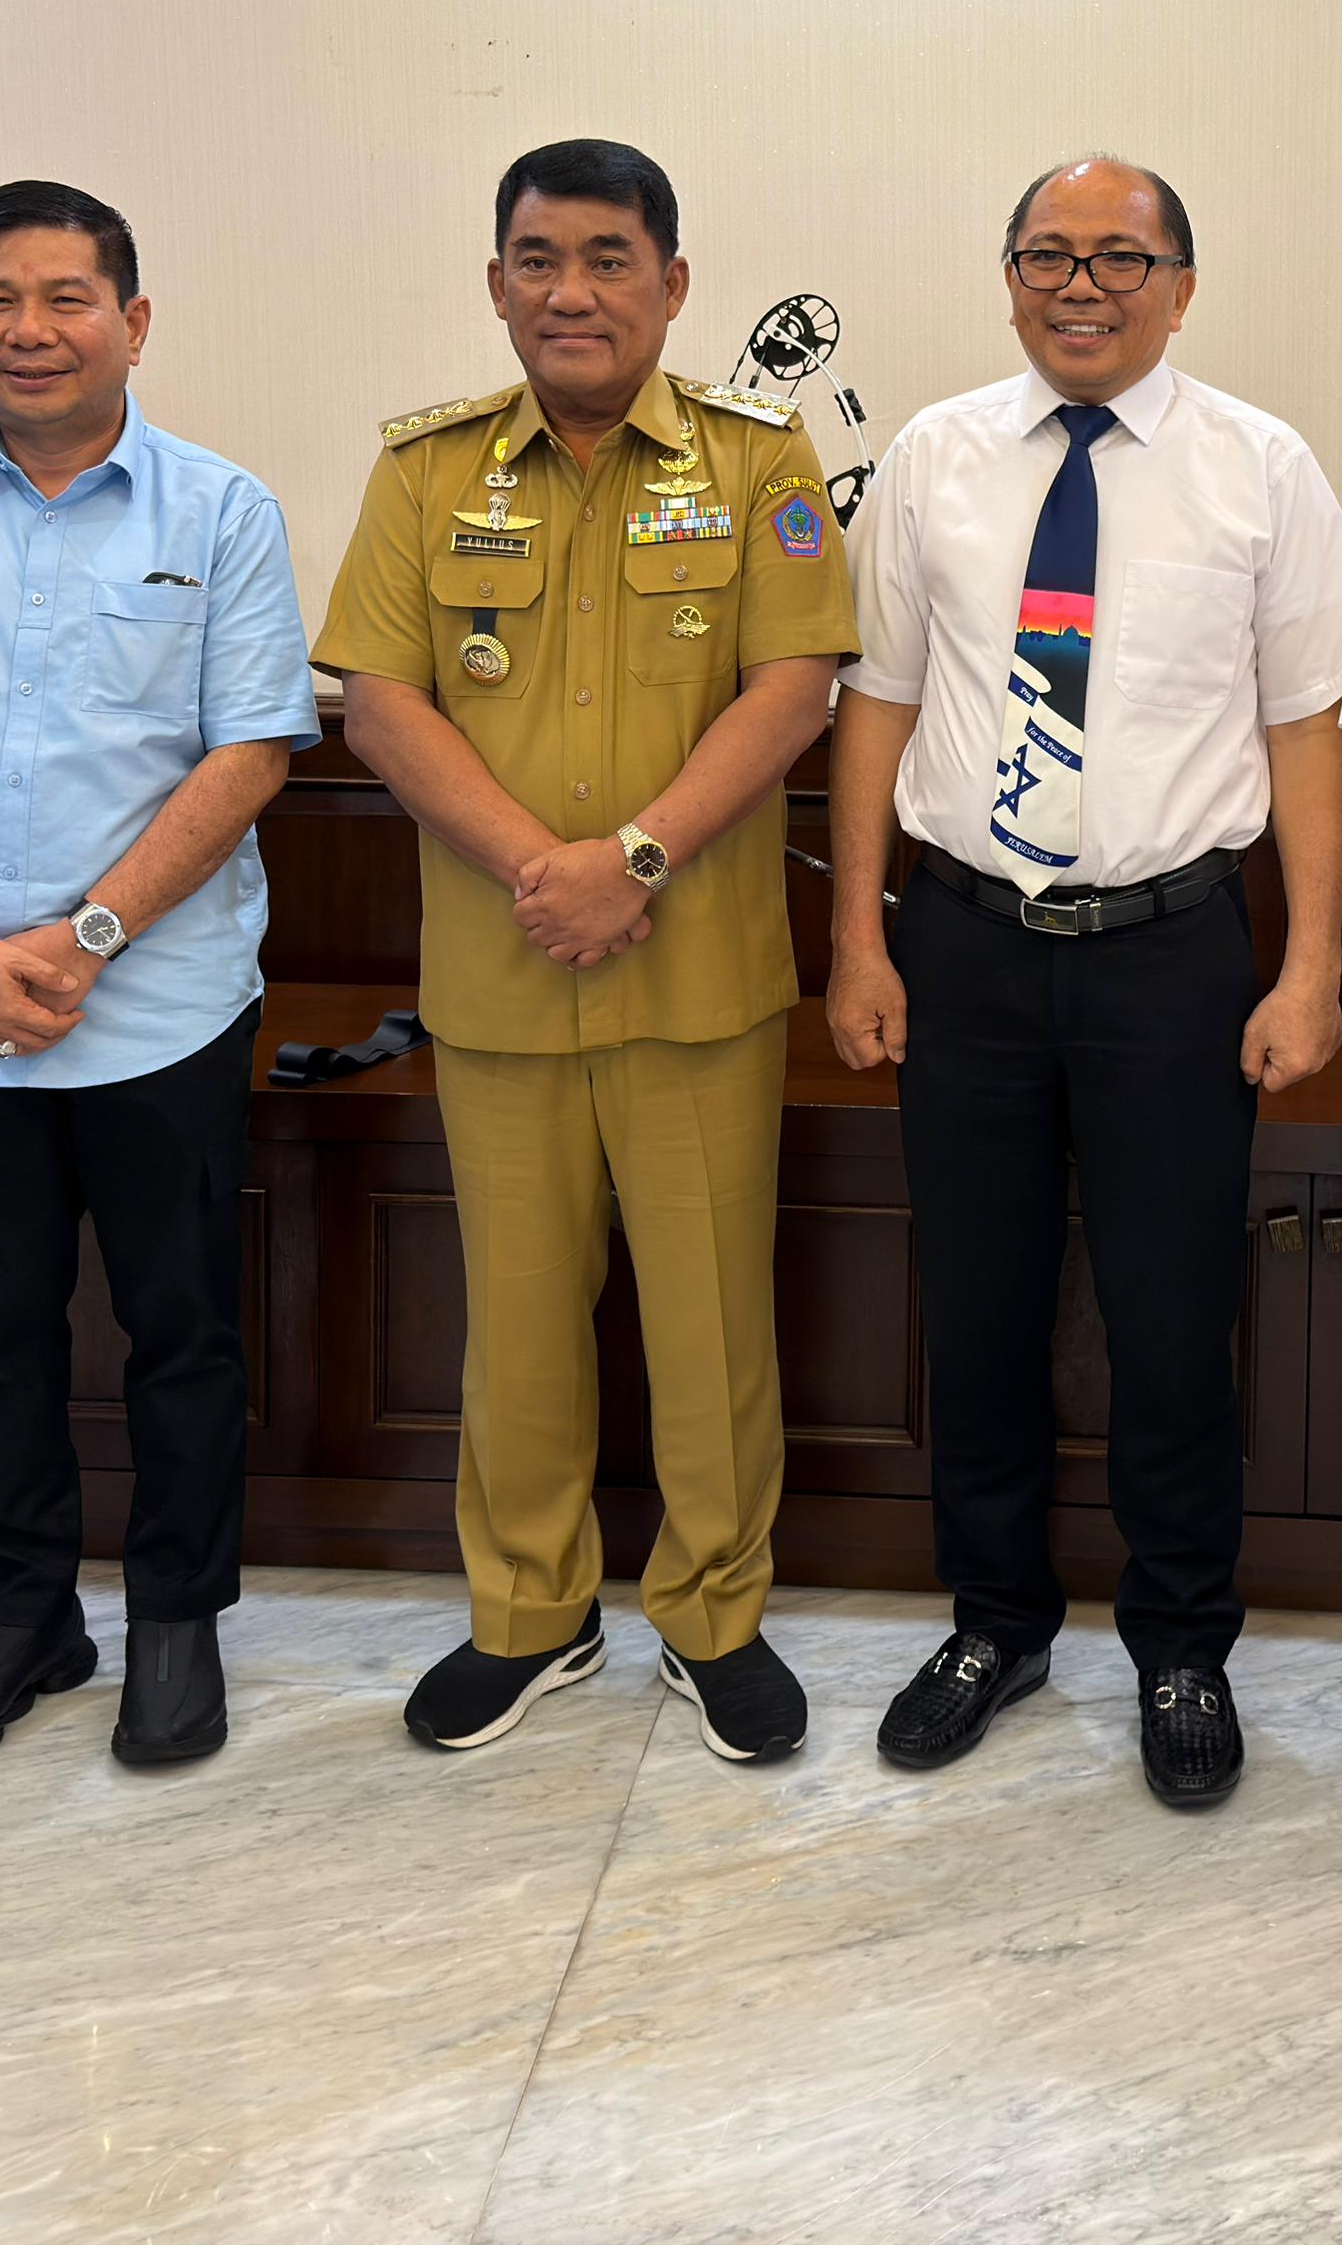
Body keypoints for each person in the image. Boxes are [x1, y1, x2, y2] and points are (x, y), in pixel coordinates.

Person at [828, 156, 1342, 1809]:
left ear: (1182, 287)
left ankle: (1184, 1640)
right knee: (978, 1315)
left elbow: (1308, 729)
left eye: (1121, 257)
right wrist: (858, 935)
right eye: (1049, 254)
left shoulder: (1260, 470)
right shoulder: (935, 458)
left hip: (1174, 957)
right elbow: (881, 702)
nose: (1083, 283)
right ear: (1007, 280)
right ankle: (995, 1620)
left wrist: (1314, 963)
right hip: (968, 944)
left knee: (1171, 1318)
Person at [313, 139, 854, 1765]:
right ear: (496, 287)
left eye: (610, 258)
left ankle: (713, 1616)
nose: (573, 291)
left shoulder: (763, 462)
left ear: (673, 287)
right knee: (521, 1316)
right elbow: (380, 700)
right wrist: (538, 871)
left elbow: (797, 683)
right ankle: (530, 1615)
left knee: (709, 1320)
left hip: (694, 978)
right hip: (499, 970)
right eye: (538, 260)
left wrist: (634, 858)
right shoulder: (426, 474)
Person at [0, 183, 317, 1771]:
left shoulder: (220, 510)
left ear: (133, 321)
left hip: (155, 1007)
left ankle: (177, 1622)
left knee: (183, 1337)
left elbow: (251, 753)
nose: (29, 329)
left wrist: (86, 934)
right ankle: (20, 1618)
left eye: (67, 298)